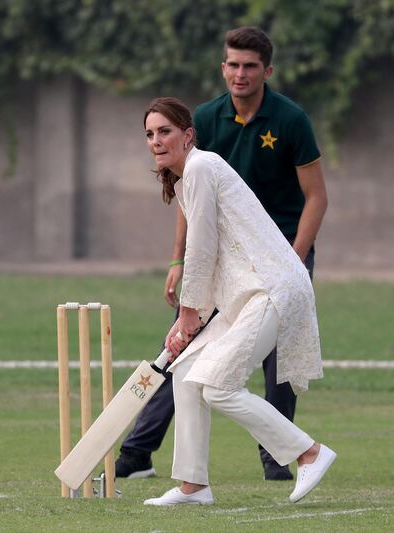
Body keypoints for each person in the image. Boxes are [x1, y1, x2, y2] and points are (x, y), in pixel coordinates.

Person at [116, 27, 328, 482]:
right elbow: (203, 251)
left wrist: (189, 313)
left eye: (165, 132)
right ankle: (191, 486)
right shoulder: (193, 168)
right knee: (189, 372)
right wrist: (187, 315)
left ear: (188, 135)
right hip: (244, 286)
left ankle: (306, 453)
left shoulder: (200, 167)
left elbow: (204, 246)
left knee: (216, 385)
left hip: (271, 283)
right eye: (149, 134)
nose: (156, 141)